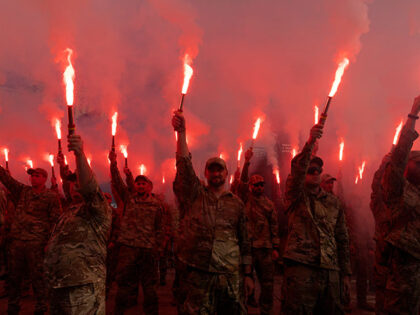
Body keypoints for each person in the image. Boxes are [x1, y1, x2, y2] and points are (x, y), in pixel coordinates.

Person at [172, 110, 253, 314]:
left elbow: (245, 241)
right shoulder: (195, 195)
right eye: (212, 170)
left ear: (226, 174)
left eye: (220, 170)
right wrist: (181, 133)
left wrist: (248, 274)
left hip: (229, 274)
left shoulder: (236, 204)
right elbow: (183, 165)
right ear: (206, 173)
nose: (216, 173)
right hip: (199, 273)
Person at [281, 123, 351, 315]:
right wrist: (310, 143)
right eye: (310, 170)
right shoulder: (296, 195)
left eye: (318, 170)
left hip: (330, 271)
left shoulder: (333, 202)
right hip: (301, 269)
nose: (315, 173)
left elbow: (342, 238)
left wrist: (345, 274)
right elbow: (296, 170)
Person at [44, 133, 111, 314]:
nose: (75, 187)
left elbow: (89, 188)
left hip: (83, 285)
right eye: (72, 184)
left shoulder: (97, 209)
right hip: (59, 283)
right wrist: (62, 166)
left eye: (78, 183)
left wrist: (80, 154)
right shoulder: (69, 210)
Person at [0, 164, 61, 315]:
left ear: (45, 179)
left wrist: (50, 242)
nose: (33, 178)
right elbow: (7, 179)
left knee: (38, 277)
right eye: (32, 175)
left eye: (37, 175)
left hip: (37, 242)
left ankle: (41, 307)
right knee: (14, 277)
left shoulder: (51, 196)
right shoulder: (23, 191)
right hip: (17, 241)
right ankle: (13, 307)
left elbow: (55, 221)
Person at [109, 150, 164, 315]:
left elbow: (159, 228)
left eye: (143, 183)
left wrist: (159, 249)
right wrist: (113, 163)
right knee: (124, 284)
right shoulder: (129, 199)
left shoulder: (156, 205)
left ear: (150, 187)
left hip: (148, 249)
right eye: (138, 183)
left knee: (149, 287)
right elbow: (118, 182)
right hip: (128, 248)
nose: (140, 185)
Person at [381, 96, 420, 314]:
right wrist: (413, 115)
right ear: (408, 167)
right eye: (419, 164)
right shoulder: (398, 188)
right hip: (403, 267)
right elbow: (398, 158)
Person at [236, 147, 280, 315]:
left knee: (268, 284)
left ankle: (266, 311)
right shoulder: (245, 199)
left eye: (262, 184)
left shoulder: (269, 204)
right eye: (256, 185)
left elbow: (274, 226)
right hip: (247, 248)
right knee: (244, 282)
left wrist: (275, 248)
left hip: (265, 249)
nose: (259, 187)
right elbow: (243, 183)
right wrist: (246, 162)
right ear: (251, 187)